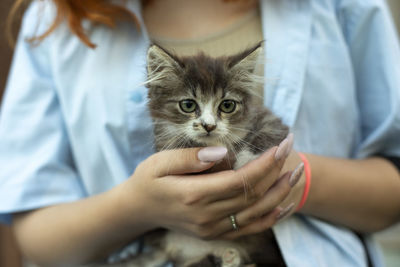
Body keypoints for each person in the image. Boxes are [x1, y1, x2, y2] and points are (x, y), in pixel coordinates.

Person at [1, 0, 400, 266]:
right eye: (191, 107)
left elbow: (392, 191)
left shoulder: (344, 5)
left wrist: (296, 180)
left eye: (226, 107)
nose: (209, 123)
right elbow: (33, 233)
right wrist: (138, 207)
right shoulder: (53, 16)